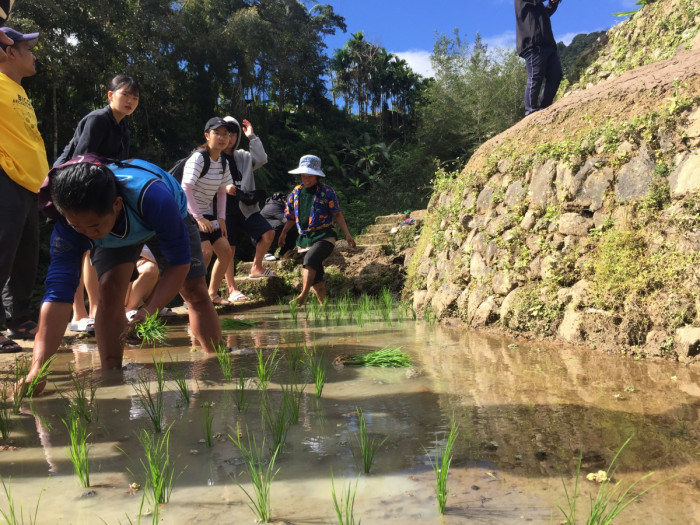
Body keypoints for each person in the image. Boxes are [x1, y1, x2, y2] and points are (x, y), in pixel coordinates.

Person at [22, 155, 222, 393]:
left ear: (116, 205)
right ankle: (112, 375)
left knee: (195, 291)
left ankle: (216, 363)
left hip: (159, 216)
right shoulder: (68, 227)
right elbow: (57, 295)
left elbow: (179, 264)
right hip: (115, 235)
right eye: (78, 226)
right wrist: (38, 369)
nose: (88, 234)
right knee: (109, 290)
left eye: (94, 226)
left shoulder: (155, 198)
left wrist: (149, 311)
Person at [55, 74, 141, 333]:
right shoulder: (97, 120)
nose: (130, 101)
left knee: (92, 250)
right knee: (79, 251)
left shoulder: (123, 128)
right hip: (73, 190)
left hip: (98, 192)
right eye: (125, 94)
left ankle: (92, 311)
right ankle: (78, 315)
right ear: (110, 95)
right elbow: (82, 161)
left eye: (135, 98)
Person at [0, 27, 48, 353]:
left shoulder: (17, 89)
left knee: (26, 257)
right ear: (8, 52)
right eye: (27, 49)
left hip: (31, 185)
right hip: (6, 178)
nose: (33, 55)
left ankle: (18, 319)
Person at [208, 116, 276, 304]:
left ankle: (257, 267)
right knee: (228, 249)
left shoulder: (243, 157)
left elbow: (262, 159)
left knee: (268, 233)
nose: (229, 138)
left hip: (246, 207)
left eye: (233, 134)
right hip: (224, 210)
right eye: (225, 134)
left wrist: (252, 137)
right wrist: (224, 188)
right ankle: (232, 289)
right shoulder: (213, 157)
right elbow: (205, 183)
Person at [279, 155, 356, 306]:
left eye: (309, 176)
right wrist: (283, 233)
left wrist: (347, 234)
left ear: (316, 175)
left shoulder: (327, 191)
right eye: (303, 176)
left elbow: (337, 214)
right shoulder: (296, 192)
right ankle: (324, 307)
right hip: (305, 238)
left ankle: (303, 295)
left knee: (309, 260)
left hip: (324, 235)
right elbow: (290, 217)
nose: (306, 179)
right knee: (317, 277)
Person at [180, 117, 233, 305]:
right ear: (207, 135)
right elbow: (185, 188)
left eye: (225, 134)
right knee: (205, 252)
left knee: (225, 251)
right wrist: (199, 218)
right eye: (217, 133)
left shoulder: (224, 163)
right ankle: (193, 297)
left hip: (207, 214)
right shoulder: (199, 158)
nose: (222, 137)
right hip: (187, 212)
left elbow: (221, 191)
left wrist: (221, 218)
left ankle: (211, 294)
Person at [514, 0, 563, 116]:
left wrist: (553, 3)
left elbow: (546, 12)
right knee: (535, 76)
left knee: (556, 75)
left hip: (547, 43)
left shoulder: (537, 5)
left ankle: (545, 107)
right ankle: (531, 110)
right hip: (533, 44)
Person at [124, 246, 176, 320]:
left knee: (163, 268)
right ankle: (131, 308)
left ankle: (150, 307)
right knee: (150, 268)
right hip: (121, 289)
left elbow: (167, 258)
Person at [260, 192, 297, 260]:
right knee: (284, 225)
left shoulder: (283, 204)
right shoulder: (273, 206)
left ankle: (284, 253)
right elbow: (287, 221)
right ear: (286, 201)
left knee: (294, 229)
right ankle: (266, 253)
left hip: (271, 230)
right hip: (260, 236)